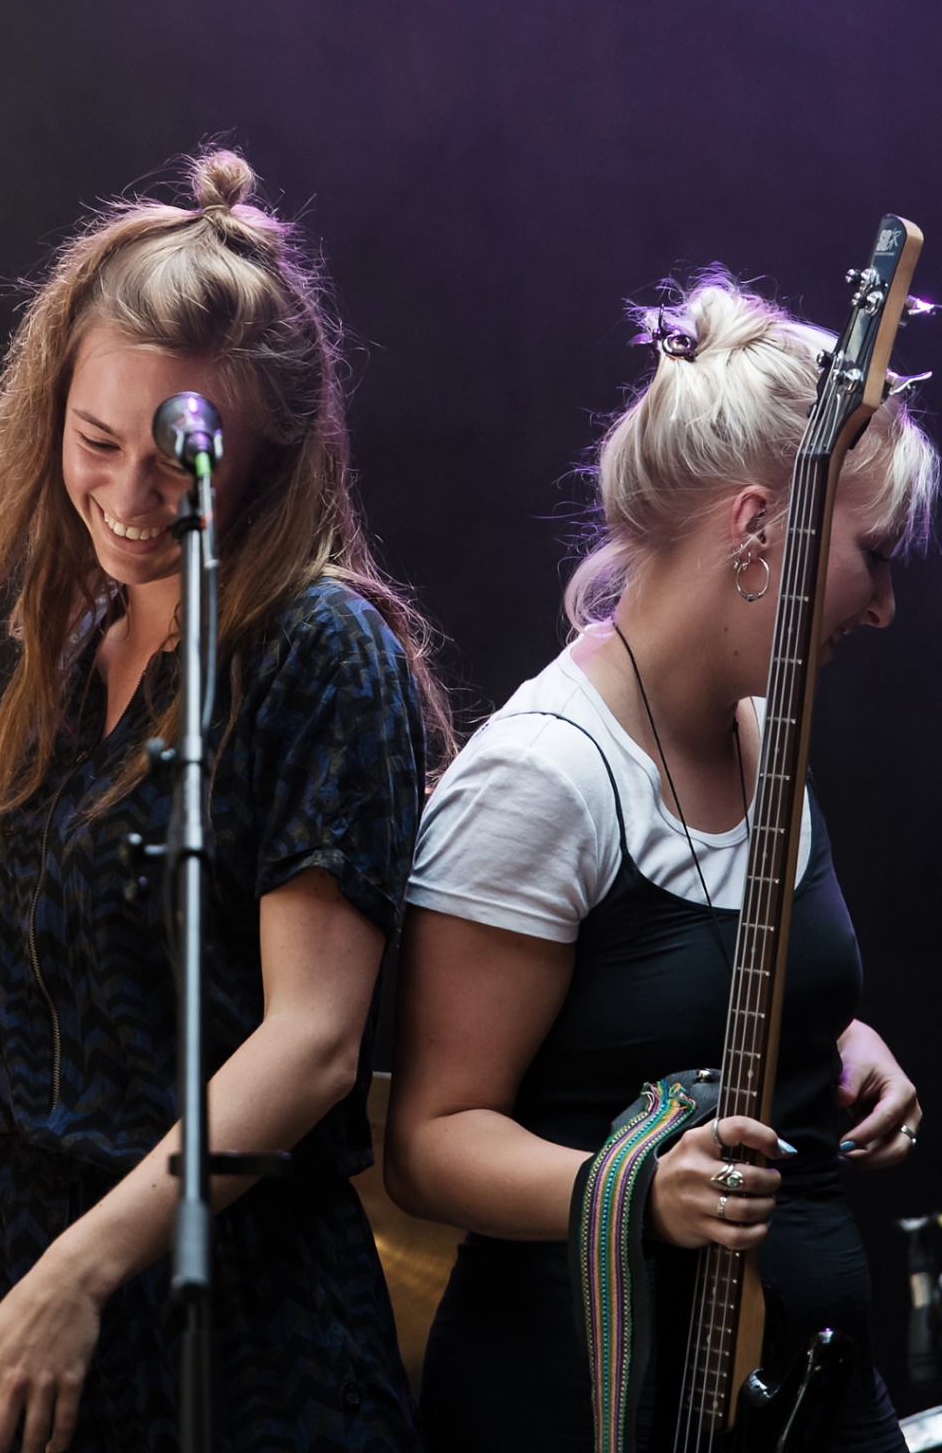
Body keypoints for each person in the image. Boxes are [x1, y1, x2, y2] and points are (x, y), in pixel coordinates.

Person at [0, 149, 444, 1453]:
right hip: (24, 1283)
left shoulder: (318, 647)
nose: (132, 496)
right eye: (98, 441)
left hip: (221, 1318)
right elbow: (121, 951)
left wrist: (81, 1272)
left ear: (267, 456)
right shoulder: (89, 630)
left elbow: (312, 1047)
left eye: (181, 461)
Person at [385, 273, 936, 1451]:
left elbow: (688, 993)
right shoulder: (544, 776)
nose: (886, 603)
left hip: (810, 1401)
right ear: (757, 532)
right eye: (871, 555)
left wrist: (835, 1038)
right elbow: (430, 1143)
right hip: (590, 1407)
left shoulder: (757, 726)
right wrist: (626, 1190)